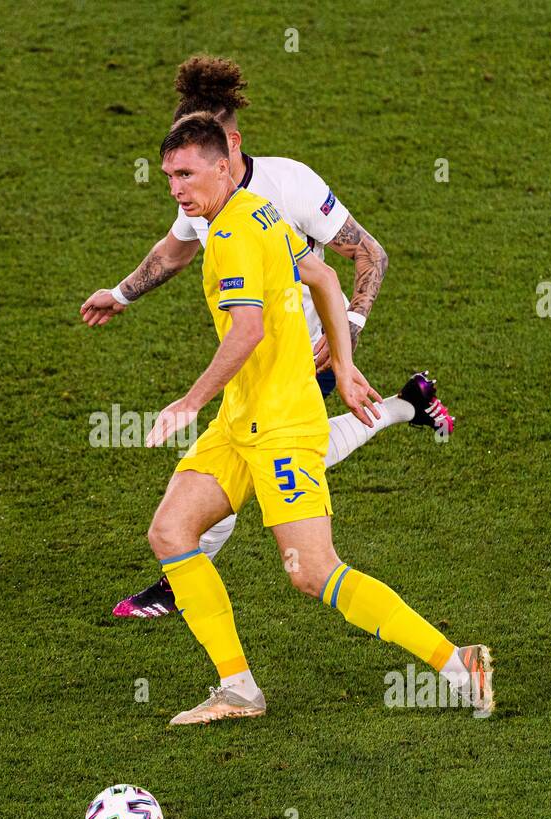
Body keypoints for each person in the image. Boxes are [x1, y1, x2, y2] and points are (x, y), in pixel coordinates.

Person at [122, 112, 492, 724]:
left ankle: (458, 662)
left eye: (186, 174)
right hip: (241, 424)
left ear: (223, 164)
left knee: (314, 571)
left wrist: (189, 401)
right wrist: (344, 364)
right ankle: (238, 689)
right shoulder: (255, 212)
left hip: (281, 429)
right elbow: (320, 272)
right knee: (169, 532)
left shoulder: (237, 234)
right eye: (168, 177)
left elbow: (248, 330)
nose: (176, 189)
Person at [81, 55, 453, 618]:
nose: (182, 176)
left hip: (303, 352)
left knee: (259, 465)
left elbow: (366, 254)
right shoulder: (207, 197)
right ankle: (409, 404)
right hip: (260, 362)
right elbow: (175, 248)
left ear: (229, 143)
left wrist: (346, 333)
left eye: (196, 156)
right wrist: (122, 293)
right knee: (272, 459)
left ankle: (182, 582)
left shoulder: (289, 184)